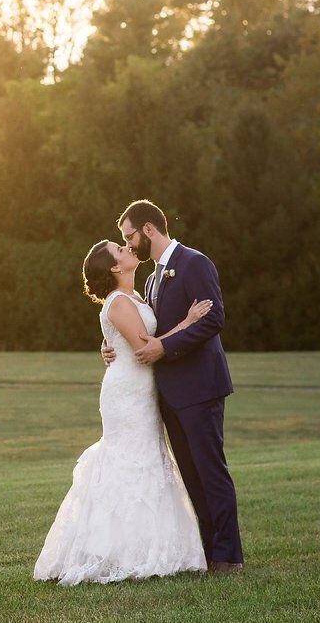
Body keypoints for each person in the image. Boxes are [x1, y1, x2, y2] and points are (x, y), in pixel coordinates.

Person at [33, 239, 212, 585]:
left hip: (143, 390)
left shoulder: (137, 295)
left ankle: (150, 546)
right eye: (120, 249)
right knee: (128, 459)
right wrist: (189, 322)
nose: (129, 249)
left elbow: (131, 339)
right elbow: (146, 349)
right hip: (126, 394)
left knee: (148, 457)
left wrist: (109, 344)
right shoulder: (118, 302)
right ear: (115, 267)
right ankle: (115, 550)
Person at [104, 199, 243, 573]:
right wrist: (112, 343)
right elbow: (146, 329)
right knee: (192, 477)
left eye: (129, 237)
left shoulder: (194, 263)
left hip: (200, 387)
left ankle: (229, 556)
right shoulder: (150, 280)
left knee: (211, 472)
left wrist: (165, 345)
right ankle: (209, 553)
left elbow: (214, 317)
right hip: (168, 395)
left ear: (148, 229)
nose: (129, 245)